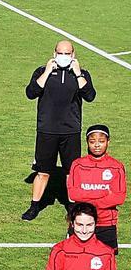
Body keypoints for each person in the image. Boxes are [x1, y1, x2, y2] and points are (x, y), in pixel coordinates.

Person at [24, 40, 96, 221]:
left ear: (73, 55)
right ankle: (34, 206)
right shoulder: (42, 71)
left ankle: (72, 207)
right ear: (54, 53)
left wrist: (78, 73)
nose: (63, 56)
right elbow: (31, 92)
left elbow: (90, 95)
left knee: (71, 172)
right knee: (43, 171)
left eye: (67, 53)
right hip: (46, 130)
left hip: (70, 131)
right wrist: (48, 71)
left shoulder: (82, 74)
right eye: (60, 53)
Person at [67, 124, 125, 270]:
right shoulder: (78, 165)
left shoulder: (116, 167)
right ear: (87, 143)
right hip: (80, 224)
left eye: (101, 141)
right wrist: (103, 197)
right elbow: (73, 194)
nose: (97, 145)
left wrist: (89, 199)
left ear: (108, 142)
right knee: (75, 268)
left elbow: (119, 196)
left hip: (106, 225)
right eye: (93, 141)